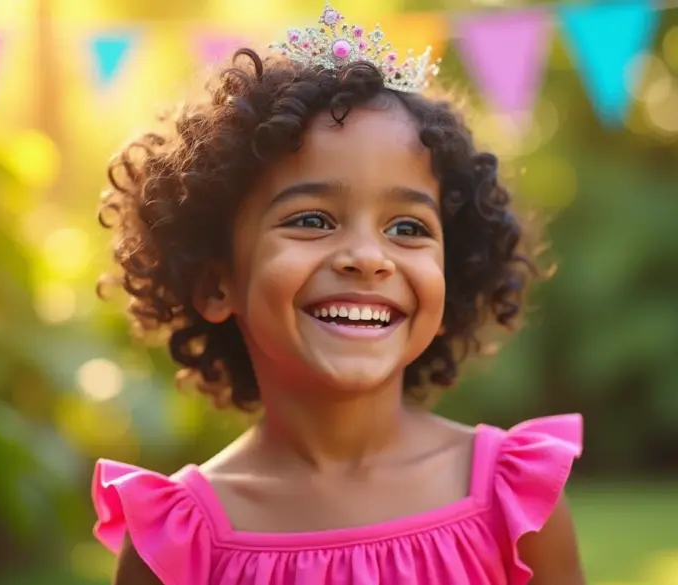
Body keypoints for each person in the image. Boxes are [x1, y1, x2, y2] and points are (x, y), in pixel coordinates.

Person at [91, 3, 585, 583]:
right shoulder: (174, 541)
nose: (369, 258)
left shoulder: (517, 500)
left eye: (407, 228)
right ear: (215, 282)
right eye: (312, 220)